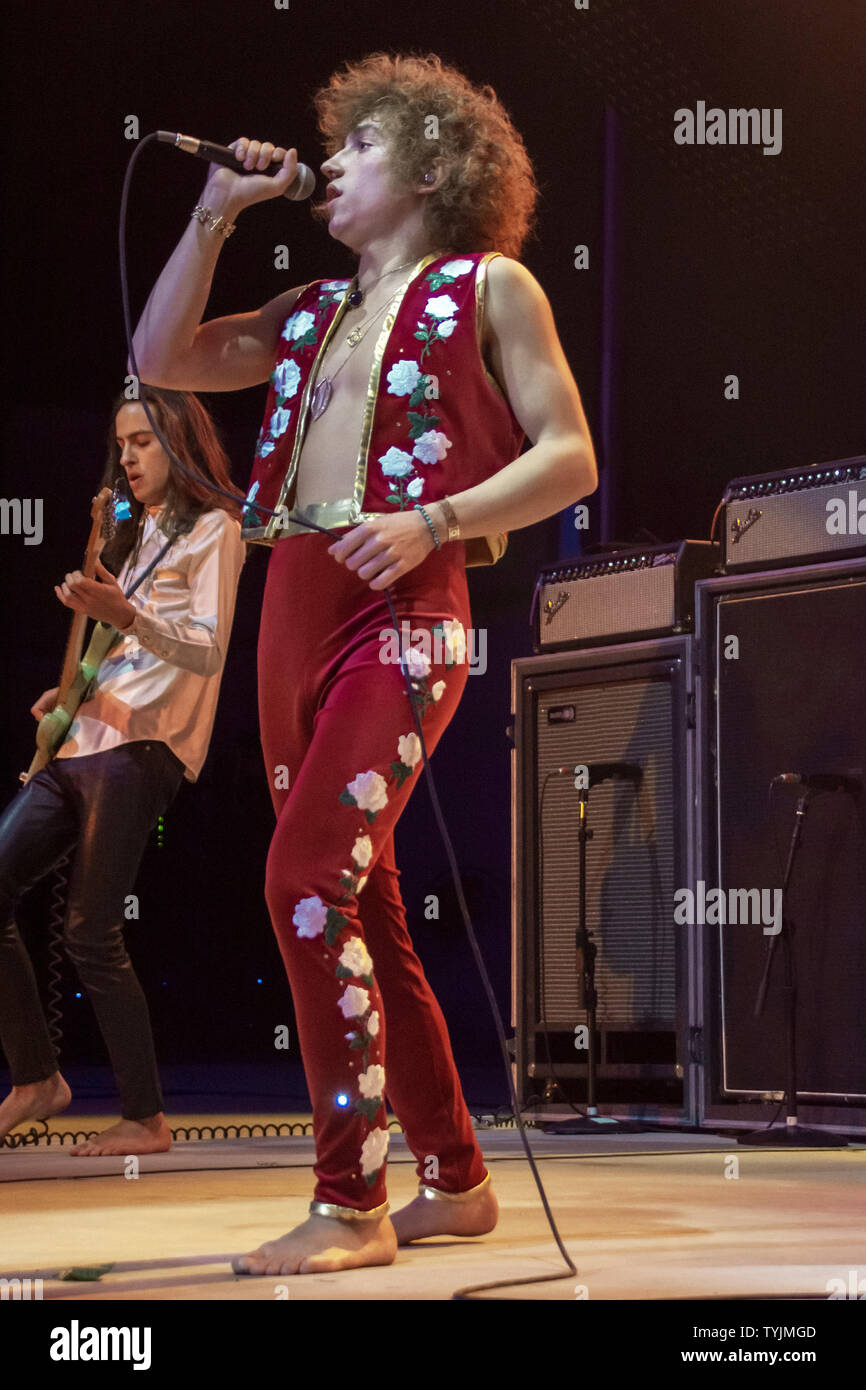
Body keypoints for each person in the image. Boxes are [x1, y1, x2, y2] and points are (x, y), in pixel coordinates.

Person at [132, 51, 597, 1273]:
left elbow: (569, 457)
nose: (328, 160)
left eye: (361, 145)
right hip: (293, 607)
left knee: (303, 881)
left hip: (401, 608)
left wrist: (439, 519)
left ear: (435, 164)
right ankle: (455, 1174)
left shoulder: (488, 285)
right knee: (361, 896)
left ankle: (352, 1201)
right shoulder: (308, 314)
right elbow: (163, 356)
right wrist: (214, 210)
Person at [0, 387, 246, 1156]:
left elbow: (207, 651)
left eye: (142, 442)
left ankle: (145, 1116)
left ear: (178, 442)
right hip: (83, 740)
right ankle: (38, 1078)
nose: (129, 457)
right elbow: (126, 648)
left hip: (143, 749)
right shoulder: (139, 541)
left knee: (88, 929)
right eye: (122, 444)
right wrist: (74, 690)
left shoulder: (216, 531)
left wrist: (127, 615)